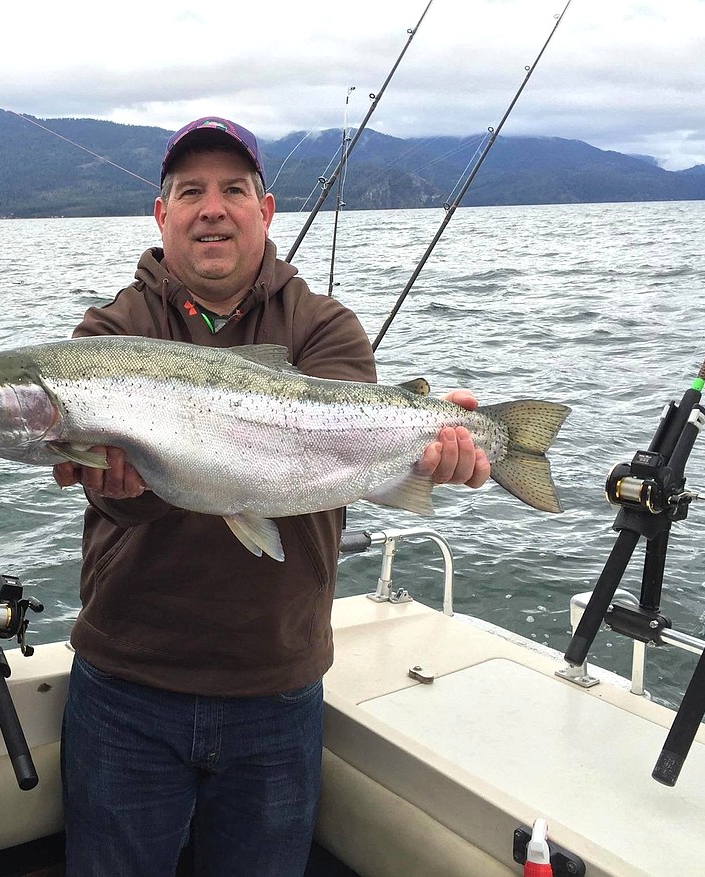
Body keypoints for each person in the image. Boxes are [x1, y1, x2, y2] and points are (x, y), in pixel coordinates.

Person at [53, 116, 490, 876]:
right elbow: (114, 501)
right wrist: (131, 487)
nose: (212, 207)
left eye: (233, 189)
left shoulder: (324, 327)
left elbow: (331, 464)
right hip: (127, 688)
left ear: (267, 208)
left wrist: (430, 455)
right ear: (162, 215)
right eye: (191, 191)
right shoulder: (112, 331)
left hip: (276, 690)